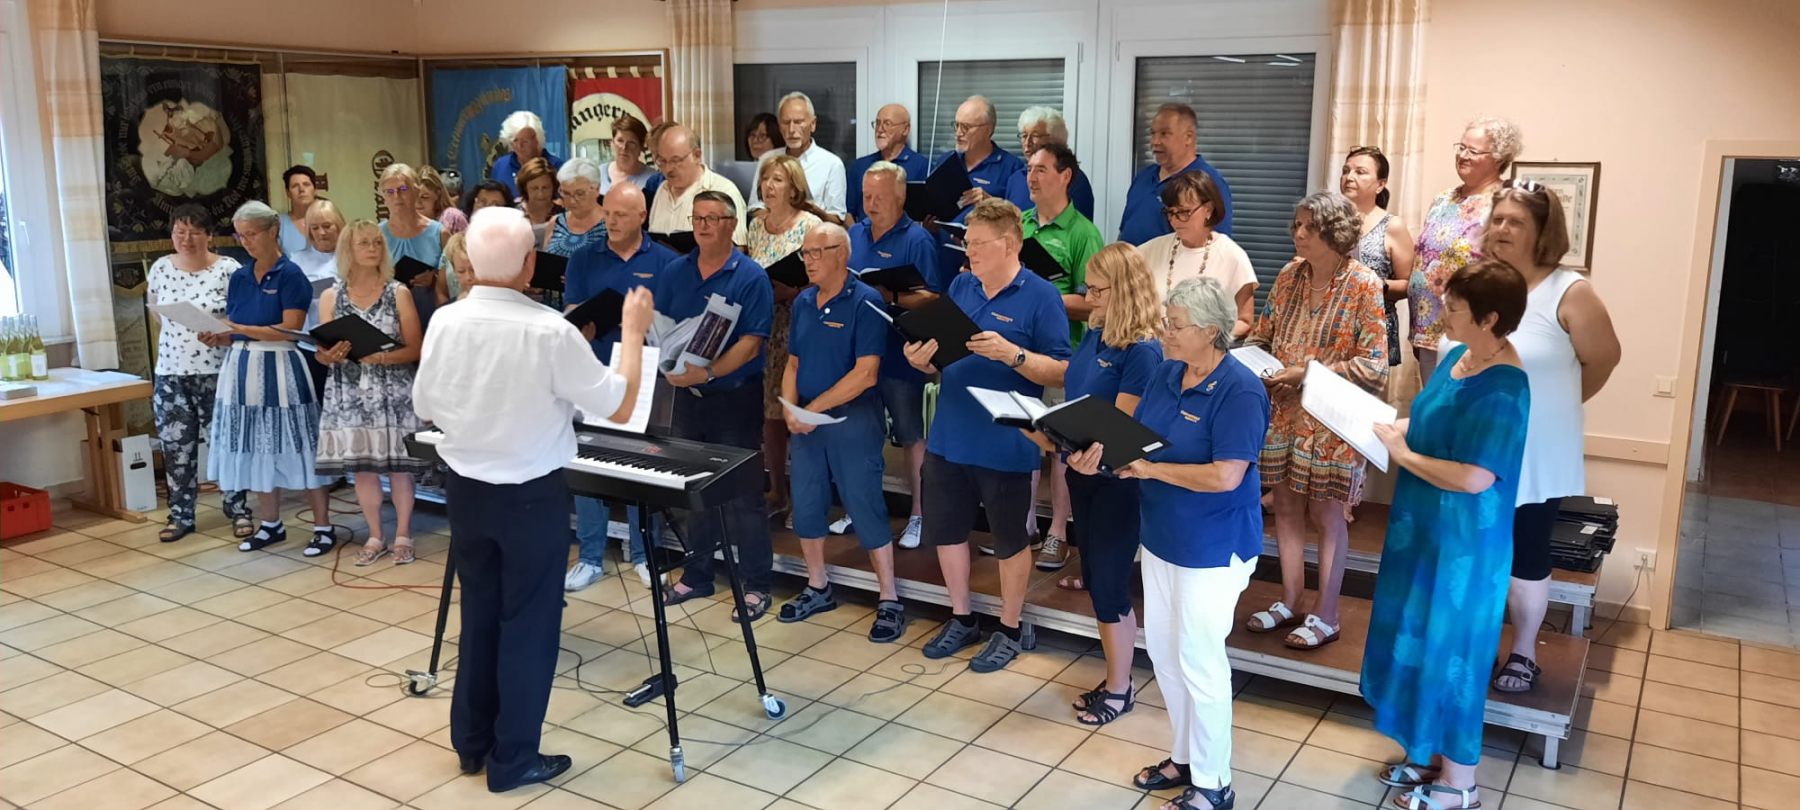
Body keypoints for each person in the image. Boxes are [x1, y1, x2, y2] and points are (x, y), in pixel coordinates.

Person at [414, 206, 652, 792]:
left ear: (470, 263)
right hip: (529, 494)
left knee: (480, 615)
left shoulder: (446, 320)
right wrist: (633, 331)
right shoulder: (549, 329)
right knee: (528, 624)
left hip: (466, 489)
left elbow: (425, 405)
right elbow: (619, 405)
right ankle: (513, 758)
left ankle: (472, 744)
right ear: (529, 265)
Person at [1069, 277, 1267, 810]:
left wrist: (1151, 471)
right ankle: (1185, 758)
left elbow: (1226, 475)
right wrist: (1093, 457)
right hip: (1160, 537)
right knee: (1164, 653)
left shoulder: (1241, 390)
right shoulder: (1166, 371)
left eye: (1175, 325)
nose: (1165, 332)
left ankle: (1215, 783)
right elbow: (1132, 441)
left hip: (1213, 546)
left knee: (1200, 662)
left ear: (1210, 331)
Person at [1361, 259, 1532, 810]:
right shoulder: (1457, 356)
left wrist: (1403, 455)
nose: (1442, 314)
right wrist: (1381, 427)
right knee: (1415, 639)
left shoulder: (1507, 386)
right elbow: (1429, 421)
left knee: (1453, 653)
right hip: (1422, 529)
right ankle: (1426, 753)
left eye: (1454, 308)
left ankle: (1460, 784)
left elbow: (1476, 477)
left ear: (1490, 318)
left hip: (1465, 546)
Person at [905, 198, 1071, 673]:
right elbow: (943, 352)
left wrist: (1013, 355)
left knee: (1009, 540)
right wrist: (923, 362)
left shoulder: (1042, 296)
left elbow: (1062, 370)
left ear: (1010, 244)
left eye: (979, 243)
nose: (970, 251)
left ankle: (1011, 627)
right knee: (947, 531)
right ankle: (961, 617)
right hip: (950, 433)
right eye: (967, 243)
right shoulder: (961, 285)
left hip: (1008, 441)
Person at [1484, 181, 1620, 695]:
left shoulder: (1570, 291)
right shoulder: (1486, 283)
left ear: (1543, 232)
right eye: (1497, 219)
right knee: (1480, 546)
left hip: (1538, 449)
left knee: (1527, 546)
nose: (1501, 229)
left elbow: (1603, 359)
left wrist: (1556, 407)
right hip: (1481, 443)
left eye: (1515, 222)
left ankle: (1523, 652)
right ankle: (1478, 641)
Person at [1242, 191, 1388, 650]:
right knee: (1284, 506)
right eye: (1297, 225)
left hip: (1332, 422)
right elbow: (1262, 336)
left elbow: (1374, 365)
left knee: (1327, 513)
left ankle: (1327, 613)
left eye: (1309, 226)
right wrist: (1262, 367)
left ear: (1335, 233)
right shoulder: (1289, 275)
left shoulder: (1365, 283)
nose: (1299, 233)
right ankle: (1290, 599)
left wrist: (1306, 373)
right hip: (1284, 413)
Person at [1040, 243, 1161, 726]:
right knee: (1095, 582)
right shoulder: (1095, 335)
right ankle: (1116, 675)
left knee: (1110, 586)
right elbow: (1076, 399)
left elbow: (1121, 428)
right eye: (1087, 289)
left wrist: (1086, 449)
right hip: (1083, 474)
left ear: (1125, 290)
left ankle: (1120, 688)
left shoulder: (1143, 351)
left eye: (1097, 290)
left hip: (1118, 483)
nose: (1088, 299)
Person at [775, 224, 909, 642]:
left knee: (864, 503)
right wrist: (790, 409)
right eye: (805, 253)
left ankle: (889, 597)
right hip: (808, 423)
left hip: (853, 420)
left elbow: (866, 373)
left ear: (842, 254)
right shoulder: (803, 302)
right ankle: (817, 586)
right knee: (807, 504)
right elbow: (793, 363)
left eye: (818, 252)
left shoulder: (865, 301)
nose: (809, 260)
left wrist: (811, 409)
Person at [654, 191, 776, 618]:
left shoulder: (750, 276)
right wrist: (667, 364)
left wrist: (706, 373)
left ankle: (757, 583)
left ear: (731, 224)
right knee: (693, 489)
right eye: (697, 218)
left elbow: (751, 343)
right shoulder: (675, 271)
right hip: (685, 397)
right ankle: (697, 574)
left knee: (743, 495)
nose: (703, 226)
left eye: (712, 218)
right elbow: (661, 327)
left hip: (733, 398)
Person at [562, 182, 680, 592]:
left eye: (621, 215)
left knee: (642, 464)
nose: (611, 221)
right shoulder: (584, 257)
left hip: (646, 372)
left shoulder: (666, 262)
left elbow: (673, 320)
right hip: (594, 368)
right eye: (608, 213)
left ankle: (645, 554)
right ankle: (590, 556)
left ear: (642, 216)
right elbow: (572, 309)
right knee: (588, 460)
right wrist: (581, 320)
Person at [204, 201, 333, 555]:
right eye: (239, 236)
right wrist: (219, 336)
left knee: (299, 443)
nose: (245, 242)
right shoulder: (239, 277)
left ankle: (323, 526)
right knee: (257, 443)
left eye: (251, 234)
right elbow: (237, 330)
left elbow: (290, 328)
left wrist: (237, 328)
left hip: (281, 364)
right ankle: (271, 523)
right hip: (242, 366)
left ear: (273, 231)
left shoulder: (291, 274)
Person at [1007, 142, 1103, 572]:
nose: (1031, 177)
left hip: (1066, 357)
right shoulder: (1020, 225)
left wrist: (1044, 297)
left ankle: (1058, 533)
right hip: (1019, 351)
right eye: (1029, 169)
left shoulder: (1083, 233)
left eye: (1042, 169)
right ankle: (1024, 525)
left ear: (1065, 176)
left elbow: (1093, 303)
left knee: (1061, 449)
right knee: (1025, 437)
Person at [839, 161, 943, 549]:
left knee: (911, 435)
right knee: (860, 435)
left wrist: (891, 295)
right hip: (859, 353)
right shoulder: (855, 233)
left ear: (900, 198)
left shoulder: (917, 239)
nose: (870, 204)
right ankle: (861, 508)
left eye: (879, 197)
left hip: (902, 355)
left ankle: (918, 515)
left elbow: (932, 297)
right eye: (866, 196)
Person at [313, 219, 429, 564]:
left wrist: (379, 357)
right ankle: (375, 534)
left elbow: (416, 348)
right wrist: (328, 356)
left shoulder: (398, 292)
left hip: (392, 390)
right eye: (364, 243)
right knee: (363, 468)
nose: (372, 249)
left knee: (399, 467)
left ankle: (404, 533)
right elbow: (322, 351)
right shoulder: (332, 295)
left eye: (377, 242)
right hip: (350, 393)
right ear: (348, 249)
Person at [147, 204, 253, 543]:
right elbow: (157, 312)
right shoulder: (161, 268)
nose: (186, 239)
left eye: (194, 232)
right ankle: (180, 515)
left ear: (209, 235)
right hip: (171, 372)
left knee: (226, 444)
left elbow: (242, 317)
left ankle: (238, 509)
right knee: (176, 448)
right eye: (180, 232)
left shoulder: (229, 269)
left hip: (217, 370)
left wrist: (218, 329)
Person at [746, 156, 826, 523]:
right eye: (765, 179)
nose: (769, 186)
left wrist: (791, 292)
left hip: (800, 326)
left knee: (799, 414)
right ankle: (777, 491)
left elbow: (825, 280)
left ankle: (810, 501)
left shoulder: (810, 225)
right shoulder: (756, 226)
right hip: (766, 328)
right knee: (770, 417)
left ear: (793, 187)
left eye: (777, 179)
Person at [1409, 116, 1520, 377]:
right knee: (1434, 400)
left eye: (1473, 151)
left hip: (1471, 331)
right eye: (1461, 147)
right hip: (1427, 330)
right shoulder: (1443, 199)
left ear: (1498, 158)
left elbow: (1509, 270)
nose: (1463, 155)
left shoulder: (1503, 203)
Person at [1137, 172, 1257, 337]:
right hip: (1154, 346)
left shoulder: (1232, 256)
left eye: (1184, 212)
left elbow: (1245, 321)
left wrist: (1208, 339)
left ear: (1208, 209)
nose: (1175, 220)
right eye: (1171, 212)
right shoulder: (1151, 250)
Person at [1340, 147, 1415, 368]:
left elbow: (1409, 285)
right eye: (1345, 171)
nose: (1349, 177)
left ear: (1380, 184)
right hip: (1332, 325)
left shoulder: (1392, 225)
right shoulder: (1328, 220)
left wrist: (1373, 285)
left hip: (1374, 329)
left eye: (1360, 172)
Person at [1117, 104, 1235, 245]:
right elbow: (1124, 231)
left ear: (1188, 137)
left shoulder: (1208, 183)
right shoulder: (1143, 177)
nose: (1155, 142)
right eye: (1153, 134)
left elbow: (1215, 246)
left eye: (1164, 134)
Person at [749, 92, 847, 221]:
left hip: (815, 231)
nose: (791, 129)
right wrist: (778, 221)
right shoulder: (767, 159)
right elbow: (755, 207)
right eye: (786, 122)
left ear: (813, 124)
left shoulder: (832, 163)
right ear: (779, 126)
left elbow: (838, 218)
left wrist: (812, 211)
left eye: (798, 122)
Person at [648, 124, 749, 246]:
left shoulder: (723, 190)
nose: (668, 168)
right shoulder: (662, 189)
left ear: (697, 156)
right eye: (662, 161)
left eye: (675, 160)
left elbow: (739, 248)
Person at [379, 164, 449, 329]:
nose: (396, 196)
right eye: (389, 192)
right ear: (383, 197)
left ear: (416, 191)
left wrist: (435, 279)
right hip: (390, 319)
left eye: (403, 189)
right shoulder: (377, 235)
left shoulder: (439, 233)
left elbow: (456, 280)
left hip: (431, 315)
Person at [290, 200, 348, 395]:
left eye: (327, 226)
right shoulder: (297, 259)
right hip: (312, 346)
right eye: (315, 228)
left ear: (339, 225)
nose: (321, 233)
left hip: (348, 343)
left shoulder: (354, 255)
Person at [935, 96, 1025, 219]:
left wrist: (991, 204)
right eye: (956, 125)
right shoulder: (945, 161)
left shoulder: (1012, 167)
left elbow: (1021, 221)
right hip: (943, 231)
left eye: (966, 127)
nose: (958, 133)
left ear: (987, 130)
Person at [1002, 106, 1095, 220]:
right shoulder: (1015, 179)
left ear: (1055, 140)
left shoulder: (1072, 179)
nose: (1027, 142)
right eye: (1024, 136)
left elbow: (1078, 226)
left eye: (1035, 136)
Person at [846, 104, 929, 222]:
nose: (880, 129)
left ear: (905, 129)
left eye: (887, 123)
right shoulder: (860, 166)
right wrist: (857, 232)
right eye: (877, 123)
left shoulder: (922, 166)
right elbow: (848, 212)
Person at [490, 110, 565, 200]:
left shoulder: (558, 168)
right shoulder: (501, 165)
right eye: (515, 140)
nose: (519, 146)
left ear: (537, 140)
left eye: (525, 141)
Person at [541, 157, 608, 258]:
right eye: (566, 193)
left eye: (579, 193)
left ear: (597, 189)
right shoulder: (556, 222)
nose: (572, 201)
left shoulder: (611, 224)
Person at [600, 115, 657, 193]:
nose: (624, 147)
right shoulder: (598, 174)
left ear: (641, 147)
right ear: (612, 143)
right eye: (620, 141)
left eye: (631, 143)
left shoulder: (653, 180)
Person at [515, 157, 562, 247]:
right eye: (534, 188)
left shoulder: (564, 216)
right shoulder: (514, 215)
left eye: (545, 187)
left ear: (554, 187)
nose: (541, 194)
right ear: (525, 188)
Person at [279, 165, 319, 255]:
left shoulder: (328, 220)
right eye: (295, 186)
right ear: (288, 193)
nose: (301, 189)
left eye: (306, 184)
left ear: (315, 190)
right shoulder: (278, 225)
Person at [417, 166, 469, 235]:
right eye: (414, 196)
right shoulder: (408, 222)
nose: (417, 202)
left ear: (437, 194)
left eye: (424, 197)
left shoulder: (452, 217)